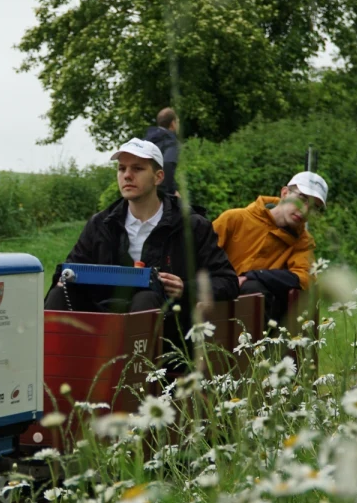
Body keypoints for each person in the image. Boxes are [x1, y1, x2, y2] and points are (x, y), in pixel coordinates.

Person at [45, 137, 239, 350]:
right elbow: (69, 269)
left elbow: (227, 281)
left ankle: (138, 378)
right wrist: (63, 281)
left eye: (137, 168)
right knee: (58, 294)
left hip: (169, 329)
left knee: (145, 298)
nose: (127, 175)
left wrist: (186, 287)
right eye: (121, 169)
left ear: (158, 177)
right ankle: (54, 371)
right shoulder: (101, 223)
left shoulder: (191, 226)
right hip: (103, 317)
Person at [211, 171, 328, 326]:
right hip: (213, 302)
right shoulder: (234, 219)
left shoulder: (302, 242)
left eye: (314, 207)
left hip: (261, 314)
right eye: (302, 199)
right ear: (285, 193)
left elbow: (306, 278)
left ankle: (258, 347)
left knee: (254, 288)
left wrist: (254, 275)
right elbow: (199, 256)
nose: (305, 210)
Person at [144, 107, 180, 200]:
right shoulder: (171, 141)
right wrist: (172, 191)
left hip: (144, 189)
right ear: (173, 123)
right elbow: (168, 164)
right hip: (161, 193)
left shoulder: (146, 140)